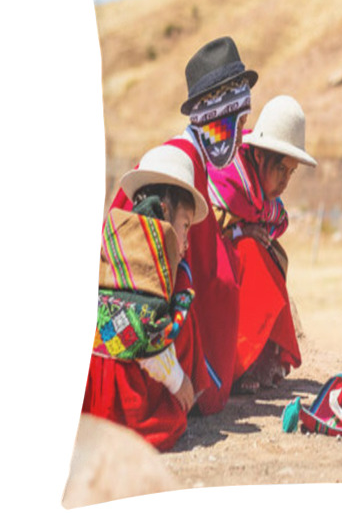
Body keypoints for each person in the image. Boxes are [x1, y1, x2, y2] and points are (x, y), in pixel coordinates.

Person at [108, 35, 258, 415]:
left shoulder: (192, 157)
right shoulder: (182, 162)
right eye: (238, 123)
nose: (241, 134)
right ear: (221, 119)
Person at [83, 144, 212, 450]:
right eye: (184, 227)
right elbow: (139, 334)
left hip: (92, 393)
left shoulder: (119, 236)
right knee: (184, 314)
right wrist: (177, 380)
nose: (184, 243)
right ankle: (171, 404)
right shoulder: (145, 248)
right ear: (164, 211)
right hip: (121, 403)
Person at [207, 95, 317, 391]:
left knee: (266, 253)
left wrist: (247, 230)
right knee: (252, 253)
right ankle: (237, 364)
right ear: (259, 157)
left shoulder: (261, 200)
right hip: (209, 274)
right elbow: (204, 236)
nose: (285, 181)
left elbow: (276, 219)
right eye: (281, 169)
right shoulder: (228, 183)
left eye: (291, 173)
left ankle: (260, 359)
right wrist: (241, 234)